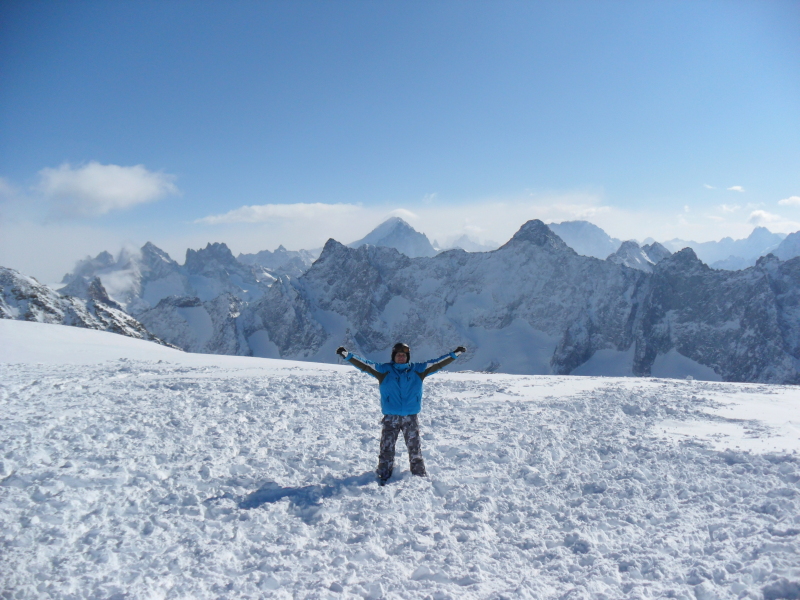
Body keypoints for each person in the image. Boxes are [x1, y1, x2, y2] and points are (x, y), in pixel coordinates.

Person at [336, 342, 466, 485]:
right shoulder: (383, 370)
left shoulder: (418, 370)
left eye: (403, 355)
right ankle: (383, 474)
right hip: (391, 417)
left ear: (408, 357)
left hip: (410, 417)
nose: (401, 358)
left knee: (414, 448)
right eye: (398, 355)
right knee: (386, 448)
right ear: (393, 356)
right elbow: (365, 365)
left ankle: (419, 475)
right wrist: (347, 356)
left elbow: (438, 363)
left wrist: (454, 354)